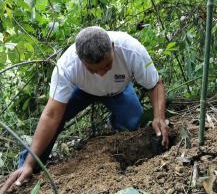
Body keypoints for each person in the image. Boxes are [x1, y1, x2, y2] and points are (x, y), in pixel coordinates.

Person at [0, 26, 169, 193]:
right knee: (56, 120)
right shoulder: (67, 66)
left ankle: (118, 135)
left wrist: (158, 117)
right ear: (80, 60)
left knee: (132, 120)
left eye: (107, 66)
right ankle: (27, 167)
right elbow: (51, 116)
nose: (101, 74)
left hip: (117, 91)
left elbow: (155, 84)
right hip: (81, 91)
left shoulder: (131, 50)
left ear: (112, 47)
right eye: (93, 70)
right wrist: (30, 162)